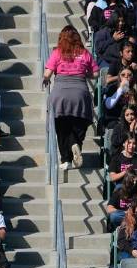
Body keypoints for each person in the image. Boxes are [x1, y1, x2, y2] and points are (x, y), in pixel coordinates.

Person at [42, 25, 98, 170]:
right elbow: (96, 73)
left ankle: (65, 160)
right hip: (80, 91)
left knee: (61, 127)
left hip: (60, 92)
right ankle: (75, 142)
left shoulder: (57, 52)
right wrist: (85, 74)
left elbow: (47, 73)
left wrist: (46, 79)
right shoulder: (84, 53)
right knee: (81, 122)